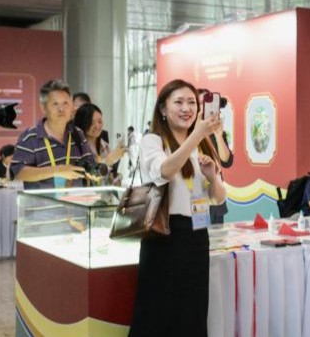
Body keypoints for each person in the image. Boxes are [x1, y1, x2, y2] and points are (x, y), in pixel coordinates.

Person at [130, 79, 226, 337]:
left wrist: (212, 176)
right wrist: (197, 134)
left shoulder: (203, 145)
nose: (187, 108)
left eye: (192, 102)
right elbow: (163, 171)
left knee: (192, 314)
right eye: (179, 102)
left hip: (197, 234)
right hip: (165, 235)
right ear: (163, 108)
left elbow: (218, 197)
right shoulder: (153, 141)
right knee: (159, 314)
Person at [10, 79, 96, 189]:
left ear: (71, 106)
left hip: (76, 203)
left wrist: (94, 172)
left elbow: (90, 165)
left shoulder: (77, 134)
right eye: (55, 104)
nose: (61, 109)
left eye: (65, 103)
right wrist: (58, 170)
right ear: (43, 108)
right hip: (42, 205)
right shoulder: (30, 137)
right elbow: (19, 172)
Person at [197, 89, 234, 224]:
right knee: (198, 238)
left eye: (206, 104)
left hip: (216, 194)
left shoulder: (217, 131)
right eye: (200, 103)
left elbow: (227, 161)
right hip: (197, 195)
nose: (203, 107)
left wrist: (218, 136)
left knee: (217, 240)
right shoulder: (188, 133)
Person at [73, 103, 127, 180]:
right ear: (82, 123)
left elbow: (110, 172)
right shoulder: (76, 147)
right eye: (91, 122)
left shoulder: (104, 145)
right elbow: (85, 174)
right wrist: (108, 161)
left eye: (100, 121)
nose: (97, 126)